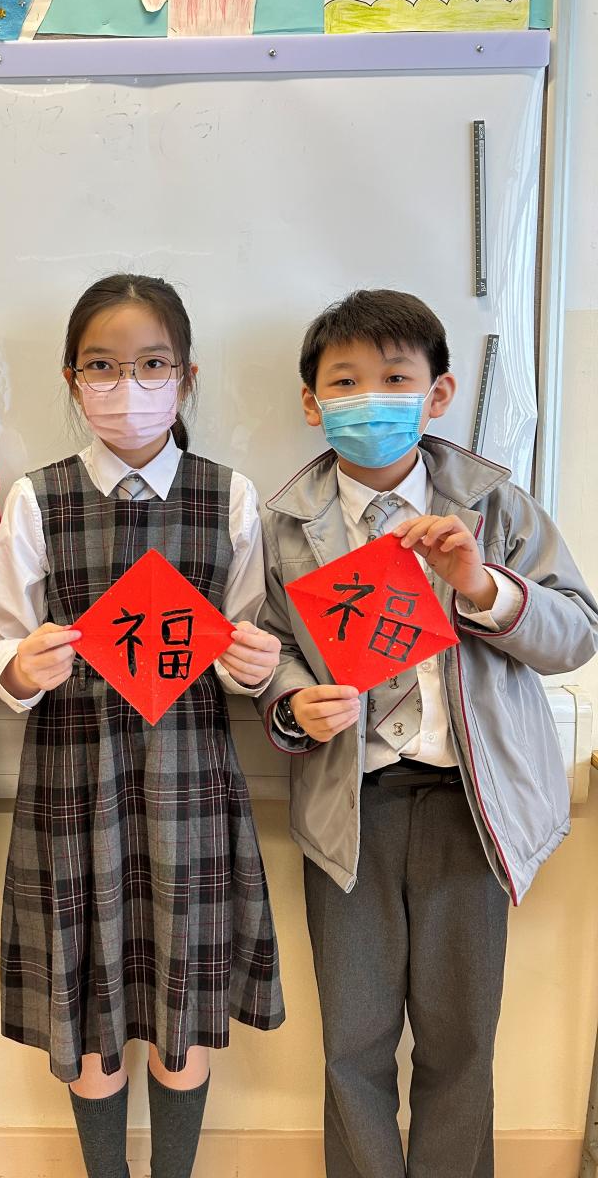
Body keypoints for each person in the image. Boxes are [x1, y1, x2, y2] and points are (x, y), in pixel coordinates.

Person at [255, 289, 598, 1178]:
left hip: (469, 810)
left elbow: (576, 633)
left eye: (395, 379)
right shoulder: (283, 526)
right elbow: (265, 650)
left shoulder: (495, 504)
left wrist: (482, 586)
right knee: (353, 1042)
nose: (370, 397)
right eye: (345, 382)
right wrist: (294, 703)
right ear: (312, 402)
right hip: (351, 812)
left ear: (438, 393)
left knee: (461, 1040)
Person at [0, 273, 285, 1178]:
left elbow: (249, 640)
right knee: (91, 1014)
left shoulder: (229, 496)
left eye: (152, 365)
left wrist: (254, 666)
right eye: (103, 367)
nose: (128, 385)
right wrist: (22, 668)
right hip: (75, 784)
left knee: (182, 1014)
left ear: (186, 377)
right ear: (72, 378)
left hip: (191, 783)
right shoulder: (38, 497)